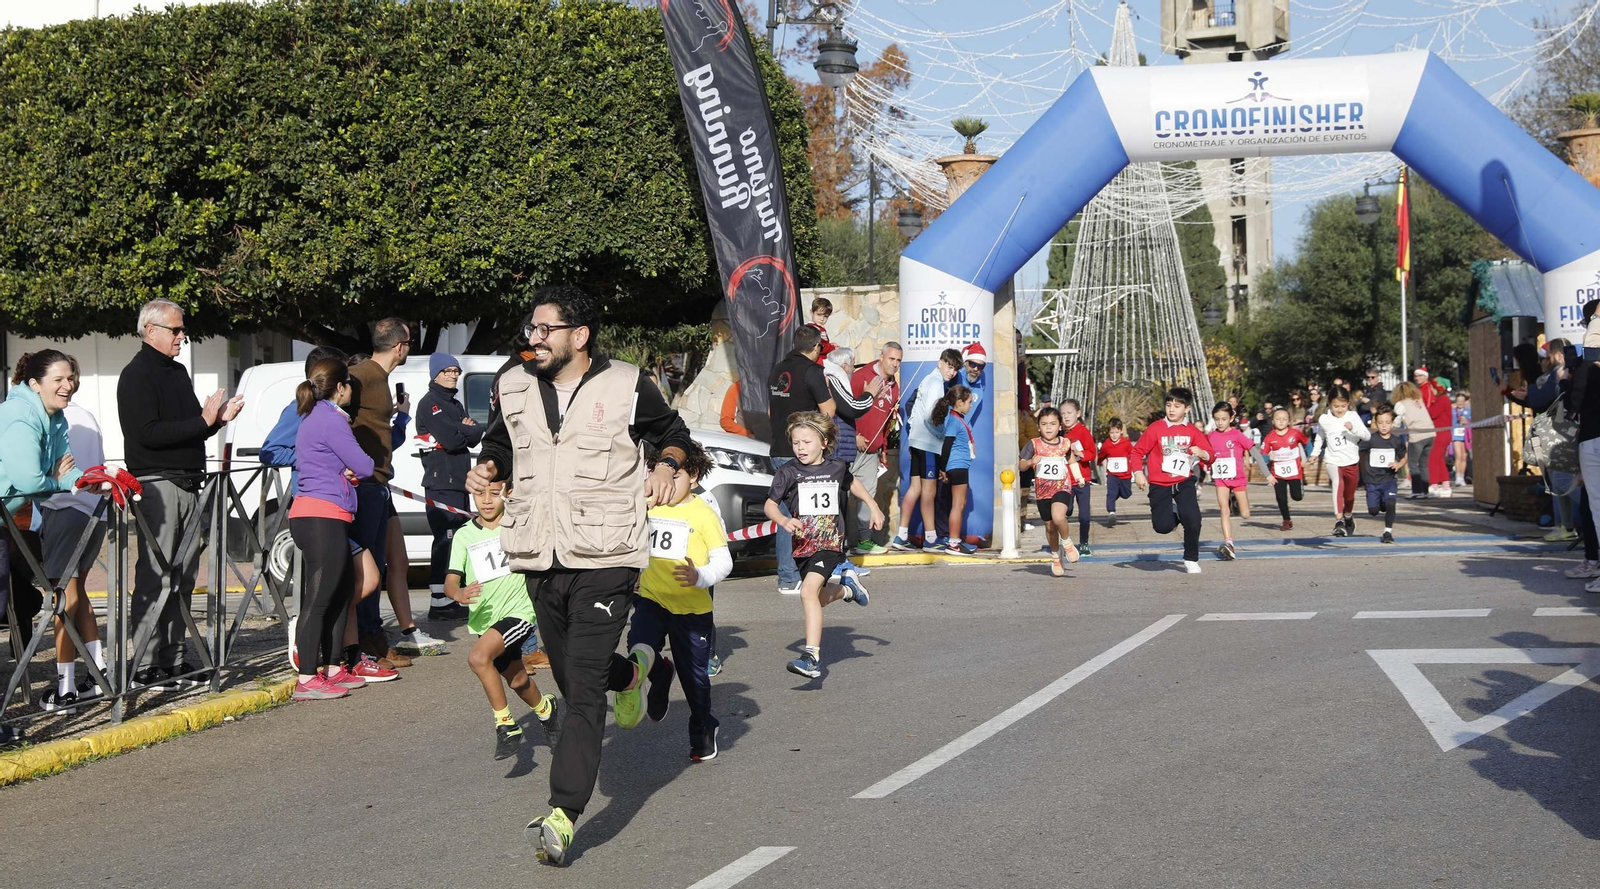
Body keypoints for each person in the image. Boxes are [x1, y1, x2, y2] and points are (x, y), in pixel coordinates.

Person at [466, 284, 693, 867]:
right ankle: (636, 671)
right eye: (531, 328)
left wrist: (667, 465)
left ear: (580, 336)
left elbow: (674, 434)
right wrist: (488, 467)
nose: (534, 338)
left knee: (582, 690)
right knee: (572, 676)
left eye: (546, 330)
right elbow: (500, 443)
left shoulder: (625, 384)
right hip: (539, 553)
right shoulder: (512, 382)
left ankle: (563, 813)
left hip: (606, 553)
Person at [118, 299, 242, 688]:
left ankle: (172, 659)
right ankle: (144, 663)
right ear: (150, 331)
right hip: (158, 485)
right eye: (176, 330)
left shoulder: (177, 371)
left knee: (183, 577)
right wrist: (204, 420)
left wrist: (215, 421)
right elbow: (146, 433)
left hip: (189, 482)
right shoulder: (136, 375)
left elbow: (191, 427)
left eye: (182, 330)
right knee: (156, 576)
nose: (182, 336)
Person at [0, 351, 97, 709]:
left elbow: (66, 469)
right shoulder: (20, 415)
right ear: (34, 384)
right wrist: (55, 480)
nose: (67, 385)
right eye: (58, 379)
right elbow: (30, 479)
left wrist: (90, 482)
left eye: (70, 377)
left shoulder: (55, 417)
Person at [347, 318, 445, 662]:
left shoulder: (377, 377)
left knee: (381, 565)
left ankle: (373, 639)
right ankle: (364, 643)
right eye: (409, 343)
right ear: (400, 347)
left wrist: (399, 419)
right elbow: (333, 416)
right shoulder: (360, 376)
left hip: (378, 484)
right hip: (363, 486)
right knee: (367, 570)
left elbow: (379, 434)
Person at [444, 479, 559, 759]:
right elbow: (450, 580)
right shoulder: (464, 535)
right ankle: (546, 709)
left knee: (478, 658)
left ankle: (506, 725)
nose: (486, 500)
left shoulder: (518, 526)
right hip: (485, 621)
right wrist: (457, 593)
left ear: (507, 494)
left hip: (519, 612)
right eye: (479, 493)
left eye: (494, 493)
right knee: (518, 681)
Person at [632, 442, 732, 761]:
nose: (666, 484)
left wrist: (700, 576)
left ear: (694, 475)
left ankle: (703, 727)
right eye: (660, 475)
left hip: (691, 608)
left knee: (694, 679)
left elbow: (724, 562)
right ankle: (660, 674)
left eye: (676, 477)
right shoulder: (647, 505)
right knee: (638, 647)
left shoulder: (704, 514)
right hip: (651, 598)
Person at [764, 411, 881, 679]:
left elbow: (853, 484)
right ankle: (847, 589)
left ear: (824, 442)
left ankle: (811, 657)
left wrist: (873, 505)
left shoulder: (836, 467)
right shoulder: (787, 472)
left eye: (806, 442)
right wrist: (783, 519)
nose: (800, 448)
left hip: (829, 543)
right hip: (803, 546)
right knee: (816, 597)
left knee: (807, 592)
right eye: (796, 443)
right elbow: (770, 504)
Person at [288, 358, 375, 701]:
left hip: (325, 513)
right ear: (340, 387)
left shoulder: (316, 416)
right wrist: (352, 469)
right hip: (320, 516)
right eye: (349, 384)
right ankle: (308, 677)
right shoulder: (332, 419)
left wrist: (343, 471)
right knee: (321, 597)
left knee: (340, 593)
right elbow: (364, 465)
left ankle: (334, 667)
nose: (352, 390)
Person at [416, 351, 486, 621]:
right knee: (445, 541)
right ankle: (439, 602)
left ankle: (453, 596)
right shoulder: (430, 404)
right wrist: (464, 429)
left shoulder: (454, 404)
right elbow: (453, 440)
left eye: (456, 371)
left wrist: (464, 429)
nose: (454, 375)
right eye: (448, 371)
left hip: (459, 483)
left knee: (458, 542)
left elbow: (475, 434)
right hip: (440, 484)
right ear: (436, 374)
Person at [767, 324, 836, 594]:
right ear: (816, 347)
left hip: (778, 448)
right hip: (802, 452)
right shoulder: (812, 371)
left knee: (788, 514)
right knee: (803, 515)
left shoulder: (777, 369)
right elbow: (828, 412)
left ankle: (794, 574)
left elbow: (771, 412)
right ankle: (792, 576)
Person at [1131, 388, 1213, 574]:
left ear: (1187, 408)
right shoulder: (1156, 428)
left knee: (1193, 519)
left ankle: (1191, 558)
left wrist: (1202, 453)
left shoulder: (1192, 431)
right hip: (1159, 483)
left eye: (1177, 406)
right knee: (1162, 527)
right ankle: (1176, 513)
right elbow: (1137, 452)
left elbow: (1211, 455)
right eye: (1169, 405)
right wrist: (1138, 473)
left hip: (1184, 481)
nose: (1171, 409)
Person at [891, 348, 960, 552]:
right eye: (949, 366)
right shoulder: (937, 384)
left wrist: (914, 436)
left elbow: (913, 412)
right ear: (940, 362)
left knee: (915, 489)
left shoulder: (926, 380)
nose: (952, 372)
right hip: (929, 444)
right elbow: (932, 416)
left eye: (955, 369)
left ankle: (901, 536)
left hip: (917, 441)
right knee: (929, 492)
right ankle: (931, 539)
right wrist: (942, 434)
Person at [821, 346, 880, 572]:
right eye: (853, 365)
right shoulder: (835, 379)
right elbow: (853, 408)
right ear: (844, 365)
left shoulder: (835, 379)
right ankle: (835, 563)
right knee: (834, 512)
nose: (853, 370)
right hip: (835, 455)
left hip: (840, 455)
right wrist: (870, 394)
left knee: (840, 510)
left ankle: (839, 560)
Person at [849, 342, 902, 555]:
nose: (895, 364)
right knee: (842, 492)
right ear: (881, 357)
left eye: (898, 360)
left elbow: (887, 420)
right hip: (851, 447)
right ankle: (836, 540)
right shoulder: (861, 376)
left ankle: (864, 540)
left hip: (872, 450)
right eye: (891, 359)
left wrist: (883, 447)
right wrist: (854, 435)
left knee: (867, 495)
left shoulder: (894, 387)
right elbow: (845, 407)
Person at [1019, 406, 1080, 576]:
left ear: (1060, 426)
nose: (1048, 428)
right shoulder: (1033, 444)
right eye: (1044, 424)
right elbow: (1021, 465)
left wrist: (1079, 477)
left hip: (1062, 486)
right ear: (1039, 426)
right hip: (1043, 490)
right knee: (1050, 527)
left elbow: (1071, 460)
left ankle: (1067, 543)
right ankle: (1055, 555)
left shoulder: (1065, 443)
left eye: (1053, 424)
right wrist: (1030, 461)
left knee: (1058, 516)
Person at [1310, 387, 1371, 537]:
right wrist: (1315, 453)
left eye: (1343, 406)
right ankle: (1338, 521)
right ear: (1329, 404)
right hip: (1333, 460)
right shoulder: (1324, 419)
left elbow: (1367, 436)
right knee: (1337, 484)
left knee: (1349, 496)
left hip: (1351, 461)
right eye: (1336, 406)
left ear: (1348, 404)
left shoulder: (1353, 416)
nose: (1339, 409)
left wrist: (1354, 429)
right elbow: (1320, 437)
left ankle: (1348, 516)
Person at [1206, 402, 1256, 560]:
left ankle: (1235, 500)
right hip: (1221, 479)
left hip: (1238, 479)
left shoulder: (1237, 435)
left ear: (1231, 418)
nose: (1220, 423)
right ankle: (1229, 542)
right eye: (1217, 419)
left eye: (1224, 419)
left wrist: (1268, 474)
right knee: (1224, 509)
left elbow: (1253, 450)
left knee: (1245, 514)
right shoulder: (1211, 436)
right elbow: (1205, 453)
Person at [933, 385, 978, 554]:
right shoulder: (953, 420)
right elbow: (947, 444)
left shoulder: (958, 419)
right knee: (958, 504)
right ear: (959, 403)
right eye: (969, 402)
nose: (971, 405)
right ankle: (953, 542)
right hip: (957, 466)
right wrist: (943, 468)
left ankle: (955, 540)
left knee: (960, 503)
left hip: (960, 465)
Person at [1359, 404, 1407, 544]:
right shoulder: (1370, 440)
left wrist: (1398, 464)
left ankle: (1388, 532)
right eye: (1380, 423)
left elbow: (1404, 457)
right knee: (1373, 511)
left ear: (1392, 423)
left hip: (1389, 480)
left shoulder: (1396, 441)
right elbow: (1358, 451)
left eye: (1387, 422)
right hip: (1372, 481)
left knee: (1391, 503)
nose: (1384, 426)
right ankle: (1380, 503)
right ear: (1376, 423)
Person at [1058, 399, 1097, 555]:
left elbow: (1092, 453)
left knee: (1084, 515)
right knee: (1066, 510)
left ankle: (1084, 543)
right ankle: (1065, 541)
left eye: (1069, 413)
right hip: (1065, 480)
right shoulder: (1059, 433)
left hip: (1082, 480)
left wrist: (1080, 453)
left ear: (1078, 414)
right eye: (1063, 414)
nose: (1066, 417)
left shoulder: (1083, 432)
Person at [1262, 408, 1310, 531]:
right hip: (1278, 473)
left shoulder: (1295, 433)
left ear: (1289, 421)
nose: (1281, 421)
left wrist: (1310, 455)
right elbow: (1263, 454)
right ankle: (1286, 520)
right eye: (1278, 419)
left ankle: (1300, 488)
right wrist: (1268, 457)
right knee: (1281, 498)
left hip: (1294, 472)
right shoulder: (1269, 437)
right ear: (1273, 421)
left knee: (1297, 496)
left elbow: (1307, 442)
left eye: (1284, 419)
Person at [1391, 381, 1434, 499]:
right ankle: (1425, 491)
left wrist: (1392, 428)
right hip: (1430, 433)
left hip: (1417, 435)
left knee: (1413, 464)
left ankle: (1417, 491)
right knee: (1424, 464)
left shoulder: (1400, 404)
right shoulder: (1418, 400)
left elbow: (1397, 421)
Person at [1097, 418, 1135, 525]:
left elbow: (1133, 454)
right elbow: (1102, 455)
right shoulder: (1106, 444)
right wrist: (1099, 462)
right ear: (1108, 432)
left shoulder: (1126, 443)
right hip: (1112, 475)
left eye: (1117, 432)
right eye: (1112, 433)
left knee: (1126, 494)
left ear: (1121, 431)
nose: (1114, 435)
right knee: (1111, 493)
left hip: (1125, 475)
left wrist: (1135, 467)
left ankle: (1114, 496)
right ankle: (1112, 512)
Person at [804, 297, 836, 363]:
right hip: (817, 362)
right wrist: (832, 347)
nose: (822, 319)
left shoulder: (819, 328)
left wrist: (830, 345)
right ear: (811, 312)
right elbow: (818, 347)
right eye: (819, 315)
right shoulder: (811, 329)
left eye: (825, 316)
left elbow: (824, 343)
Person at [1451, 389, 1471, 487]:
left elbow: (1472, 422)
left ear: (1465, 402)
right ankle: (1457, 477)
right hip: (1456, 435)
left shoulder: (1468, 411)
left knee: (1464, 456)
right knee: (1458, 456)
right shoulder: (1452, 411)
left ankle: (1461, 477)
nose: (1460, 403)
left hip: (1465, 436)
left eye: (1462, 401)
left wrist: (1466, 422)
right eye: (1458, 401)